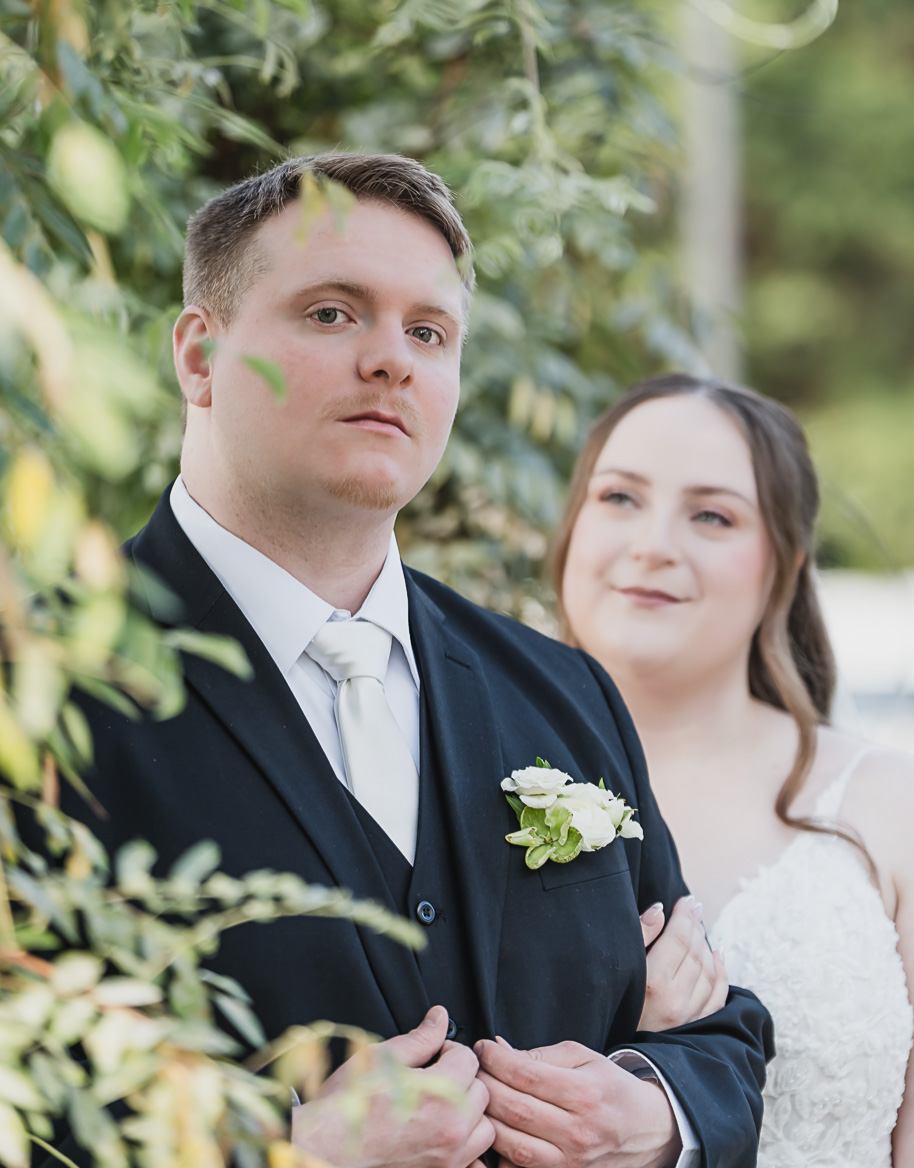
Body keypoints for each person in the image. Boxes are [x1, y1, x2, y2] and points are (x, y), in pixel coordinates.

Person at [57, 158, 771, 1168]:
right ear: (199, 356)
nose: (391, 359)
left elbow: (719, 1033)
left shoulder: (559, 693)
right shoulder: (44, 686)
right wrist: (288, 1152)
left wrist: (654, 1114)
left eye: (426, 332)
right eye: (332, 314)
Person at [554, 373, 914, 1167]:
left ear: (783, 566)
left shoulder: (890, 806)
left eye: (712, 515)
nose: (653, 543)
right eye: (619, 498)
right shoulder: (455, 776)